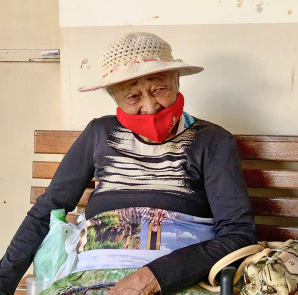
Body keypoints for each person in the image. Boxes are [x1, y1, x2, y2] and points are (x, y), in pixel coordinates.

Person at [0, 32, 256, 294]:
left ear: (177, 80)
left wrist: (154, 276)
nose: (150, 107)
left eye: (159, 89)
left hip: (175, 282)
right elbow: (48, 209)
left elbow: (238, 235)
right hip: (88, 279)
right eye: (133, 97)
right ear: (114, 98)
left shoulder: (212, 141)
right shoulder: (100, 133)